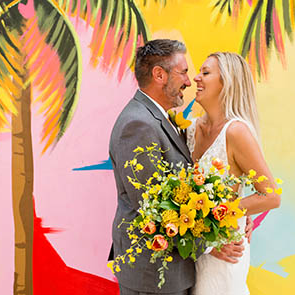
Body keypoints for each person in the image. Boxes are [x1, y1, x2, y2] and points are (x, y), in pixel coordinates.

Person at [109, 40, 248, 295]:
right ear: (159, 75)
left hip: (174, 270)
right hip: (153, 276)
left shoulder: (159, 118)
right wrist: (210, 243)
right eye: (183, 72)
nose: (189, 80)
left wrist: (233, 213)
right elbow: (154, 208)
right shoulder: (138, 125)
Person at [188, 52, 281, 294]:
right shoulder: (190, 128)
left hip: (225, 253)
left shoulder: (236, 132)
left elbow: (271, 196)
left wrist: (222, 215)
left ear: (226, 82)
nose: (196, 78)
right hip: (195, 255)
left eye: (206, 73)